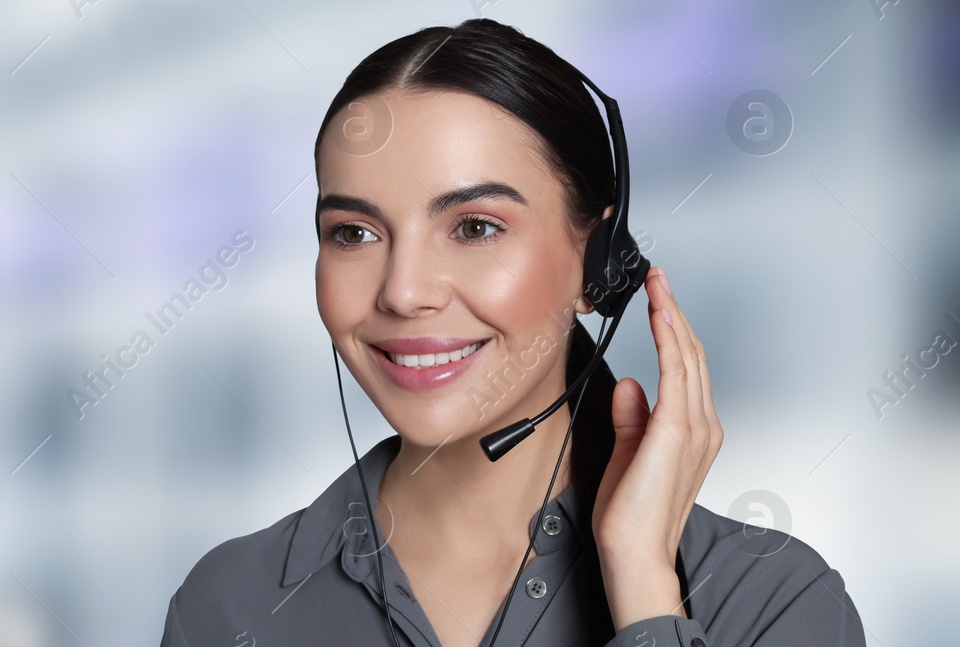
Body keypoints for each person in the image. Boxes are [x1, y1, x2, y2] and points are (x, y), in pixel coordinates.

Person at [160, 18, 866, 647]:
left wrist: (644, 586)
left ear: (599, 265)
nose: (403, 291)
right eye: (355, 232)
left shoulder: (773, 602)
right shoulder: (227, 606)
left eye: (474, 227)